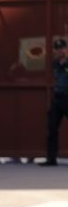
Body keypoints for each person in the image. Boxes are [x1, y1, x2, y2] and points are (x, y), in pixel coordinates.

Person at [48, 38, 68, 166]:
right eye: (57, 49)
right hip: (57, 97)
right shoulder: (55, 63)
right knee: (52, 127)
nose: (60, 51)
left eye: (62, 48)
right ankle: (51, 158)